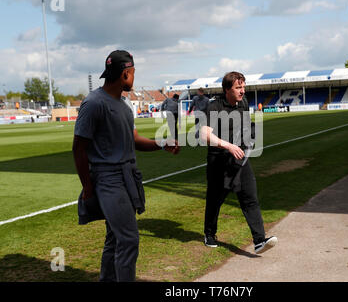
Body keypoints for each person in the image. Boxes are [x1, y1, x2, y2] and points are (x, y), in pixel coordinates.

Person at [72, 50, 179, 282]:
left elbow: (135, 140)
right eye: (132, 73)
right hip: (108, 180)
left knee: (115, 239)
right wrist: (88, 187)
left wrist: (162, 143)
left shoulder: (124, 103)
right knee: (129, 240)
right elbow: (78, 149)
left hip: (127, 177)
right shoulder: (93, 103)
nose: (133, 77)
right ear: (125, 74)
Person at [200, 71, 277, 254]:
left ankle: (259, 241)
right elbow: (204, 136)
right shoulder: (214, 107)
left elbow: (246, 126)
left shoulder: (243, 103)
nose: (242, 91)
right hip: (219, 161)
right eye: (238, 87)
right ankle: (209, 234)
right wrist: (228, 146)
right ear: (227, 89)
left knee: (250, 198)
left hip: (239, 159)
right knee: (215, 200)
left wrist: (249, 138)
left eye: (243, 86)